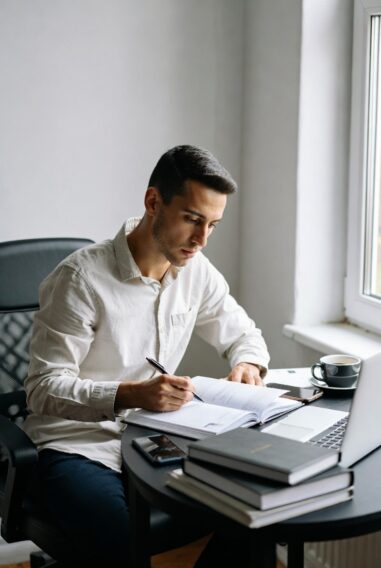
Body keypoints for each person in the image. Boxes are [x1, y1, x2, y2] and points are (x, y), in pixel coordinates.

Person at [24, 145, 270, 566]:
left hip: (156, 439)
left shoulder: (196, 270)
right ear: (153, 202)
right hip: (76, 445)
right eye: (192, 219)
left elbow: (245, 334)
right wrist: (130, 394)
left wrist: (247, 363)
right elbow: (42, 390)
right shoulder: (80, 279)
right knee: (120, 545)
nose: (202, 239)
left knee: (255, 514)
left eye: (213, 224)